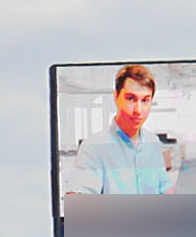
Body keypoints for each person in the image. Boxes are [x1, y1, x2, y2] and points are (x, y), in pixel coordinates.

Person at [74, 63, 178, 194]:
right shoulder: (93, 147)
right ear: (116, 97)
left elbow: (164, 189)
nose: (138, 110)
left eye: (145, 100)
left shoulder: (153, 143)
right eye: (131, 99)